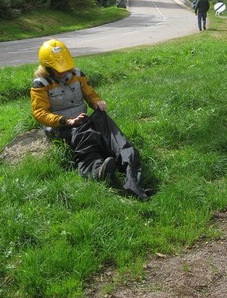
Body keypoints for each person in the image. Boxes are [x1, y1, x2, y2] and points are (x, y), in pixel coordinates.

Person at [30, 38, 151, 200]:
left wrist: (97, 102)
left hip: (82, 119)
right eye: (58, 69)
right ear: (47, 67)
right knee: (84, 136)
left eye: (65, 67)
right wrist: (66, 121)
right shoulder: (40, 84)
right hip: (61, 126)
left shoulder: (77, 74)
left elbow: (90, 93)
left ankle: (126, 162)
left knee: (108, 130)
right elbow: (39, 112)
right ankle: (96, 170)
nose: (63, 72)